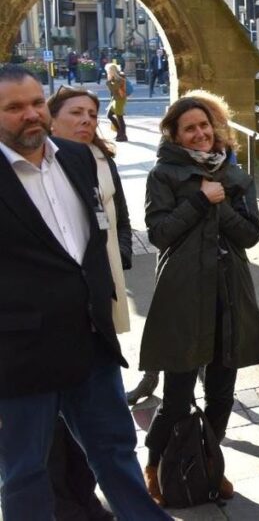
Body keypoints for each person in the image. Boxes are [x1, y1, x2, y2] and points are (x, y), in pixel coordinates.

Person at [0, 65, 169, 520]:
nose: (30, 114)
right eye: (14, 107)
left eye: (36, 102)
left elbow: (96, 244)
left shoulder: (79, 160)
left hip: (91, 342)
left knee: (116, 451)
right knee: (25, 474)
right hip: (19, 357)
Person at [140, 97, 259, 505]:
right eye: (189, 129)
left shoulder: (234, 175)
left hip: (228, 292)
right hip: (183, 295)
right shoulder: (164, 174)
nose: (200, 134)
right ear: (175, 135)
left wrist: (220, 204)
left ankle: (208, 461)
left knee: (221, 392)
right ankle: (156, 465)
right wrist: (199, 201)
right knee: (178, 394)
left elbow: (251, 234)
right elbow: (160, 233)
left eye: (204, 125)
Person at [46, 86, 134, 519]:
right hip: (56, 310)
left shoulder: (99, 160)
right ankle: (72, 502)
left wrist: (122, 256)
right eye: (76, 112)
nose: (86, 120)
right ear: (51, 118)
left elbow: (119, 217)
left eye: (92, 113)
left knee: (103, 418)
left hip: (103, 290)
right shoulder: (40, 167)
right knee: (60, 422)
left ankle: (102, 498)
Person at [104, 60, 128, 142]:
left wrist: (108, 82)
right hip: (115, 99)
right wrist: (110, 80)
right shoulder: (114, 78)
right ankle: (119, 132)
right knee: (109, 115)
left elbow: (114, 89)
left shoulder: (120, 78)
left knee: (119, 117)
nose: (107, 72)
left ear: (112, 71)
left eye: (108, 71)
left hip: (120, 100)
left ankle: (123, 135)